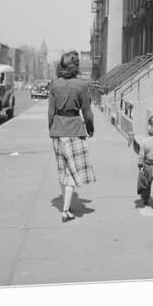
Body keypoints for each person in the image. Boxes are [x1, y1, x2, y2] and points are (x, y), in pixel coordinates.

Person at [48, 50, 96, 222]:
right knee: (70, 172)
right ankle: (65, 210)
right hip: (74, 129)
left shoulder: (54, 84)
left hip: (58, 130)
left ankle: (65, 206)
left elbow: (51, 112)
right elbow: (87, 112)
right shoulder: (81, 86)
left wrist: (51, 128)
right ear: (75, 67)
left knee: (63, 170)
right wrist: (90, 128)